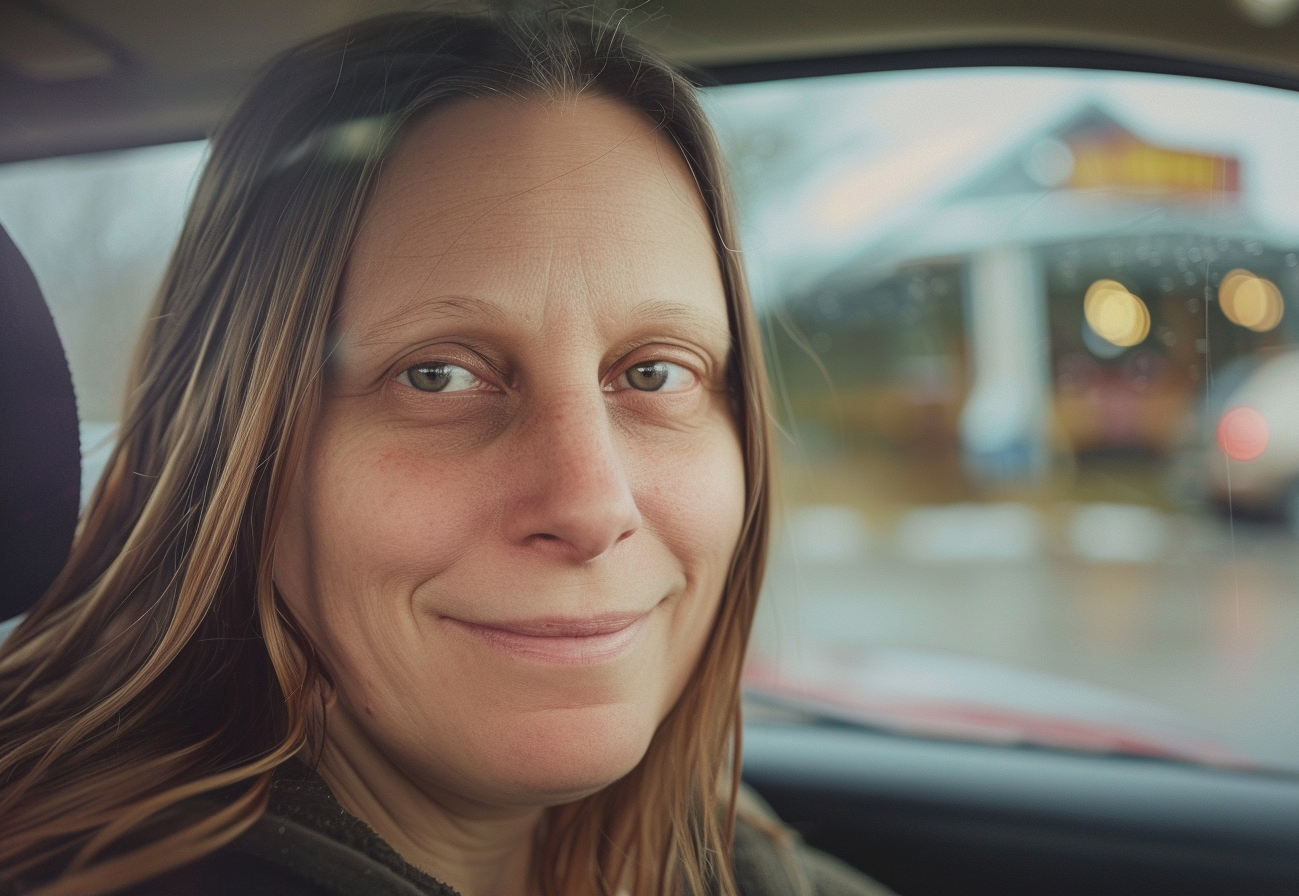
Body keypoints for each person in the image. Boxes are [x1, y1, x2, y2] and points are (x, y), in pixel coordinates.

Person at [0, 7, 894, 896]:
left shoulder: (739, 867)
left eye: (655, 374)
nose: (591, 508)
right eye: (437, 376)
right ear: (237, 448)